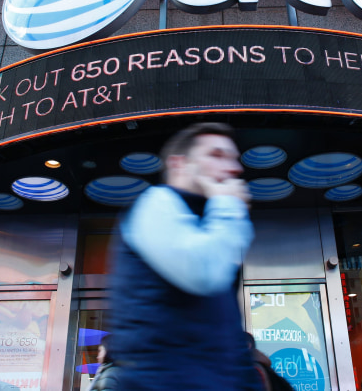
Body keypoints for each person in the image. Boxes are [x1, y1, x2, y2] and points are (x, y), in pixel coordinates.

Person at [109, 122, 262, 390]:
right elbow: (204, 273)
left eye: (234, 158)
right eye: (216, 155)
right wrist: (227, 206)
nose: (235, 168)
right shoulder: (156, 203)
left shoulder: (208, 222)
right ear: (179, 164)